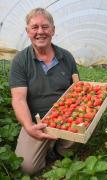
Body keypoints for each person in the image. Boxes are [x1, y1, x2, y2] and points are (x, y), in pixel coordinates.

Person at [9, 7, 79, 175]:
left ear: (53, 30)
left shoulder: (66, 57)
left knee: (87, 121)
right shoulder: (20, 60)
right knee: (27, 168)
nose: (40, 32)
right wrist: (29, 126)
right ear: (28, 31)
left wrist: (103, 95)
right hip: (37, 121)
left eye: (45, 27)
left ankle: (61, 150)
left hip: (65, 118)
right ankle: (44, 145)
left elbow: (79, 90)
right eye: (35, 27)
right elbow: (18, 99)